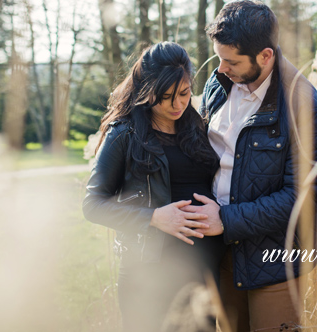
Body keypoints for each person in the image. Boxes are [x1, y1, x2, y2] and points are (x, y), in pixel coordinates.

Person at [186, 0, 317, 332]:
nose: (220, 68)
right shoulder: (219, 83)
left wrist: (225, 218)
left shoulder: (303, 106)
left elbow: (302, 199)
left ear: (266, 56)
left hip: (273, 262)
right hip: (219, 252)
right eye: (219, 57)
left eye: (230, 61)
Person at [82, 42, 227, 332]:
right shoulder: (124, 134)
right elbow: (93, 205)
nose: (177, 105)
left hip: (203, 268)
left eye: (184, 94)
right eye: (165, 97)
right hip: (148, 272)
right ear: (146, 91)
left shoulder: (197, 126)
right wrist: (153, 218)